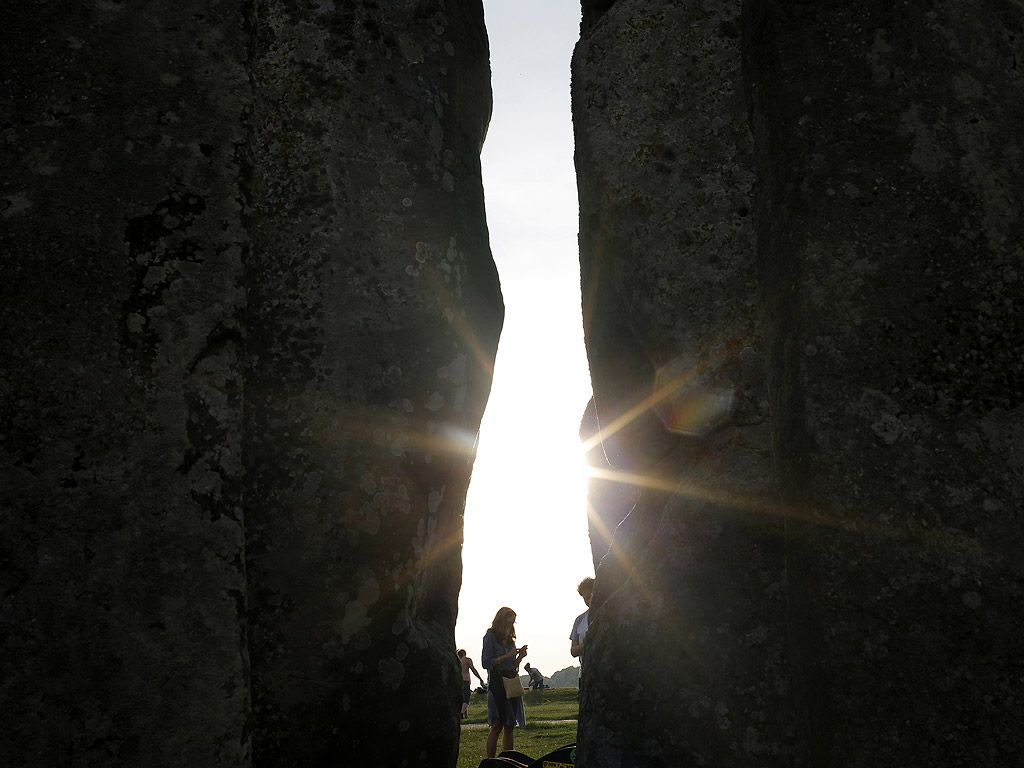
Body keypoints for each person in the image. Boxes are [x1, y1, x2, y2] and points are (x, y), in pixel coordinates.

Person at [481, 606, 528, 758]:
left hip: (511, 681)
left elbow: (513, 665)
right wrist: (506, 656)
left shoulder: (509, 640)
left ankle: (508, 761)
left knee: (510, 725)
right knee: (497, 725)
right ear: (501, 621)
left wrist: (520, 657)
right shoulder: (490, 636)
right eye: (508, 623)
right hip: (498, 683)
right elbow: (486, 662)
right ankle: (491, 761)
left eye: (513, 623)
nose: (510, 626)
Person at [570, 577, 595, 688]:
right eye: (586, 598)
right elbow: (573, 651)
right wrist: (585, 644)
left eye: (591, 596)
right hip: (586, 673)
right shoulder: (579, 620)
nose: (589, 601)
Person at [457, 648, 485, 718]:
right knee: (467, 698)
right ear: (464, 653)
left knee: (462, 698)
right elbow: (473, 670)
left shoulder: (457, 661)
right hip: (466, 680)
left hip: (459, 681)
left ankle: (465, 715)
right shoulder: (467, 660)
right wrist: (480, 678)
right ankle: (461, 713)